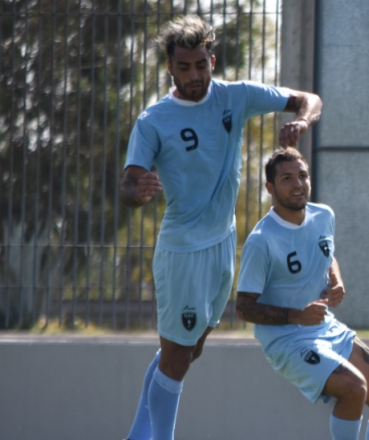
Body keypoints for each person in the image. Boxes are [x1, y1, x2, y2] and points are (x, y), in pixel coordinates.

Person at [118, 15, 321, 440]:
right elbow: (128, 182)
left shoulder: (236, 96)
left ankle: (139, 434)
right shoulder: (154, 119)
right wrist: (139, 190)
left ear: (212, 60)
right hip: (182, 250)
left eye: (201, 65)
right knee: (175, 358)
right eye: (185, 67)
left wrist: (302, 122)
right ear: (170, 68)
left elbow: (309, 98)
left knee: (188, 350)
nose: (195, 75)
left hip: (223, 245)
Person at [235, 148, 369, 440]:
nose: (298, 184)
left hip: (326, 329)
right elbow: (243, 307)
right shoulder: (261, 241)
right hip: (286, 340)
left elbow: (327, 253)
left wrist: (336, 278)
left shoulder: (324, 215)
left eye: (303, 176)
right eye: (287, 178)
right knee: (353, 389)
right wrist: (296, 315)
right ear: (270, 188)